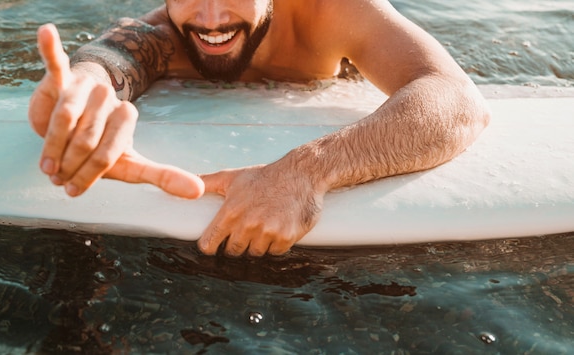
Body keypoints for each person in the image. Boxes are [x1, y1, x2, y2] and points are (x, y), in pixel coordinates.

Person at [28, 0, 490, 257]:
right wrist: (80, 93)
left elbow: (456, 98)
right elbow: (112, 59)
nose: (210, 18)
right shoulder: (164, 33)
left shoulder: (334, 11)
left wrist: (305, 171)